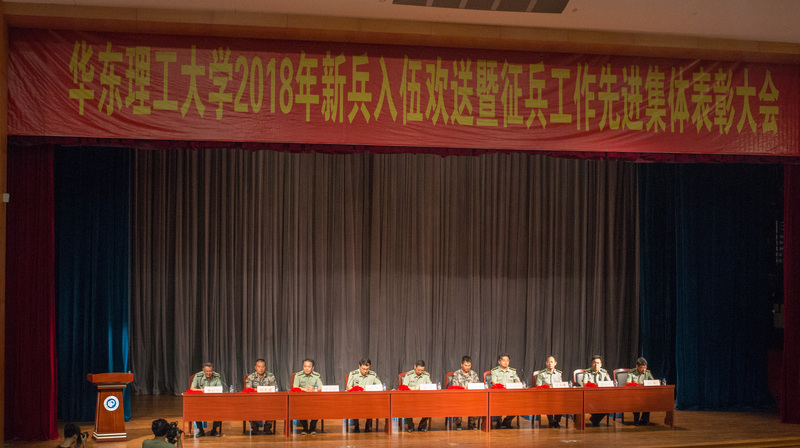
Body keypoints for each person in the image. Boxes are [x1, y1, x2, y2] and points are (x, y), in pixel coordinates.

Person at [347, 358, 382, 432]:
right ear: (359, 366)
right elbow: (348, 387)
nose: (365, 371)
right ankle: (356, 426)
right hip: (356, 398)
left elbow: (380, 385)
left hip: (369, 398)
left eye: (367, 369)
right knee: (354, 404)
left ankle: (368, 425)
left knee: (372, 403)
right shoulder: (353, 374)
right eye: (363, 369)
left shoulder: (372, 374)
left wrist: (369, 388)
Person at [189, 362, 223, 437]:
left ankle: (214, 430)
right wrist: (201, 390)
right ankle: (201, 430)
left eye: (210, 371)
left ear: (212, 370)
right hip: (200, 400)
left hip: (213, 400)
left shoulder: (216, 376)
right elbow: (192, 388)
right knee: (196, 410)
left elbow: (220, 388)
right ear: (203, 370)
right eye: (207, 371)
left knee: (220, 409)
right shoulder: (198, 376)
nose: (208, 373)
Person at [245, 358, 277, 434]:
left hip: (268, 400)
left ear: (265, 367)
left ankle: (267, 427)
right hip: (254, 400)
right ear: (255, 367)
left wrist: (257, 389)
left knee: (273, 406)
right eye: (259, 367)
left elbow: (273, 389)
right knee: (248, 407)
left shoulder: (270, 376)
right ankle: (254, 427)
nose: (261, 369)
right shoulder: (251, 377)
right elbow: (248, 390)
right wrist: (260, 390)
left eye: (262, 367)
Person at [490, 353, 521, 429]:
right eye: (504, 360)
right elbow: (494, 382)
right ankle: (499, 422)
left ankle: (507, 421)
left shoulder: (512, 371)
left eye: (507, 360)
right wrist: (504, 387)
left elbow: (518, 381)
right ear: (499, 362)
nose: (506, 362)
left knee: (519, 404)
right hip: (498, 395)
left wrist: (518, 383)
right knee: (496, 403)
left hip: (511, 395)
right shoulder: (494, 371)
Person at [293, 358, 323, 435]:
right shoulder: (298, 375)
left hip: (313, 399)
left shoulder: (316, 375)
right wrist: (305, 389)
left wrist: (314, 389)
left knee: (318, 407)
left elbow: (320, 387)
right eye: (305, 366)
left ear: (312, 368)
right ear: (302, 367)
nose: (306, 368)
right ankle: (305, 428)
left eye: (309, 367)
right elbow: (295, 387)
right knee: (299, 407)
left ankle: (312, 427)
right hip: (301, 399)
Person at [450, 355, 480, 430]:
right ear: (461, 364)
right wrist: (464, 388)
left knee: (478, 403)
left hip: (472, 397)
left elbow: (478, 385)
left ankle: (472, 423)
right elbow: (455, 386)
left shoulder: (474, 374)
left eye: (469, 365)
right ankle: (458, 423)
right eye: (466, 365)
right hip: (459, 396)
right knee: (457, 403)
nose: (467, 367)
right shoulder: (456, 374)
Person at [402, 359, 432, 433]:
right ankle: (410, 426)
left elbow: (430, 386)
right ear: (415, 367)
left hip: (423, 398)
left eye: (422, 370)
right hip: (410, 398)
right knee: (407, 406)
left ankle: (422, 426)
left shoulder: (426, 375)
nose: (420, 372)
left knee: (430, 406)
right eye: (419, 370)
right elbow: (404, 387)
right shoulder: (409, 375)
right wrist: (414, 388)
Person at [535, 355, 563, 428]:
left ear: (555, 363)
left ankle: (556, 421)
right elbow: (538, 386)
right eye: (548, 362)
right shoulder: (542, 373)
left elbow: (560, 386)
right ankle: (551, 421)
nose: (550, 363)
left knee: (561, 402)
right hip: (545, 395)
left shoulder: (559, 374)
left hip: (556, 395)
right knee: (549, 401)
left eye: (552, 362)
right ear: (546, 363)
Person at [584, 355, 611, 426]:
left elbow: (609, 383)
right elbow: (585, 384)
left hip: (602, 395)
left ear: (601, 364)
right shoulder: (587, 372)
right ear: (591, 364)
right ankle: (595, 419)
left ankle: (595, 419)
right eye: (594, 363)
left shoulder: (604, 372)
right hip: (590, 395)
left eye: (598, 363)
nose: (596, 365)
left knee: (609, 404)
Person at [627, 357, 655, 426]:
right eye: (641, 368)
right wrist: (640, 384)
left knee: (648, 400)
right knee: (637, 401)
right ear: (637, 366)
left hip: (645, 394)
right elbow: (628, 383)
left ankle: (644, 420)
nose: (643, 370)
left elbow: (652, 382)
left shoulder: (647, 373)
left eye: (645, 368)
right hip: (634, 394)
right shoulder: (631, 372)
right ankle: (636, 420)